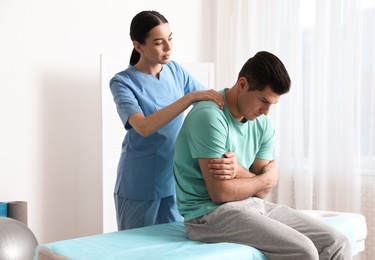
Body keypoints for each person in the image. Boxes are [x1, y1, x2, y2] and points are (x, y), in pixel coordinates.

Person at [173, 51, 352, 259]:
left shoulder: (262, 123)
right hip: (207, 216)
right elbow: (221, 193)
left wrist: (241, 172)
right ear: (242, 85)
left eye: (272, 104)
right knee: (304, 251)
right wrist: (265, 178)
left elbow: (260, 193)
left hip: (253, 206)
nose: (266, 111)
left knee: (338, 243)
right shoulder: (210, 117)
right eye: (263, 101)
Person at [109, 10, 225, 231]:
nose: (168, 48)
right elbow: (143, 127)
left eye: (170, 39)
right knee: (135, 250)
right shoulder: (122, 82)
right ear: (138, 46)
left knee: (172, 247)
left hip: (172, 181)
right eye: (159, 42)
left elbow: (210, 100)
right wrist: (189, 97)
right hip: (138, 184)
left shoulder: (175, 71)